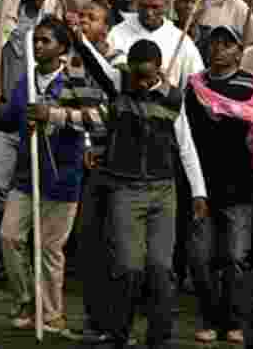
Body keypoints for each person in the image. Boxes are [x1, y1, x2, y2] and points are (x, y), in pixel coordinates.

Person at [74, 35, 207, 349]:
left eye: (149, 75)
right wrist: (76, 35)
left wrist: (199, 192)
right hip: (125, 189)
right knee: (128, 267)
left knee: (161, 267)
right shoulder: (119, 85)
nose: (142, 82)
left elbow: (186, 145)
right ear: (129, 70)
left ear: (160, 70)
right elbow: (94, 60)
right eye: (137, 75)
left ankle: (160, 337)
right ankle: (118, 333)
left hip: (163, 191)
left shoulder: (173, 98)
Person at [0, 17, 96, 334]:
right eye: (36, 41)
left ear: (62, 47)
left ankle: (52, 313)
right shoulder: (26, 81)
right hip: (26, 176)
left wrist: (52, 116)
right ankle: (25, 299)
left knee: (50, 248)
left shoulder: (75, 78)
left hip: (62, 176)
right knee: (9, 236)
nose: (38, 46)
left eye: (46, 41)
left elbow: (95, 118)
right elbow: (9, 121)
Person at [185, 24, 253, 345]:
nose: (219, 49)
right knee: (201, 258)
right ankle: (211, 320)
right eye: (214, 43)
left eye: (227, 44)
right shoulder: (194, 87)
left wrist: (233, 114)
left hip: (240, 187)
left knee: (236, 258)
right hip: (201, 186)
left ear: (239, 51)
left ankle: (236, 322)